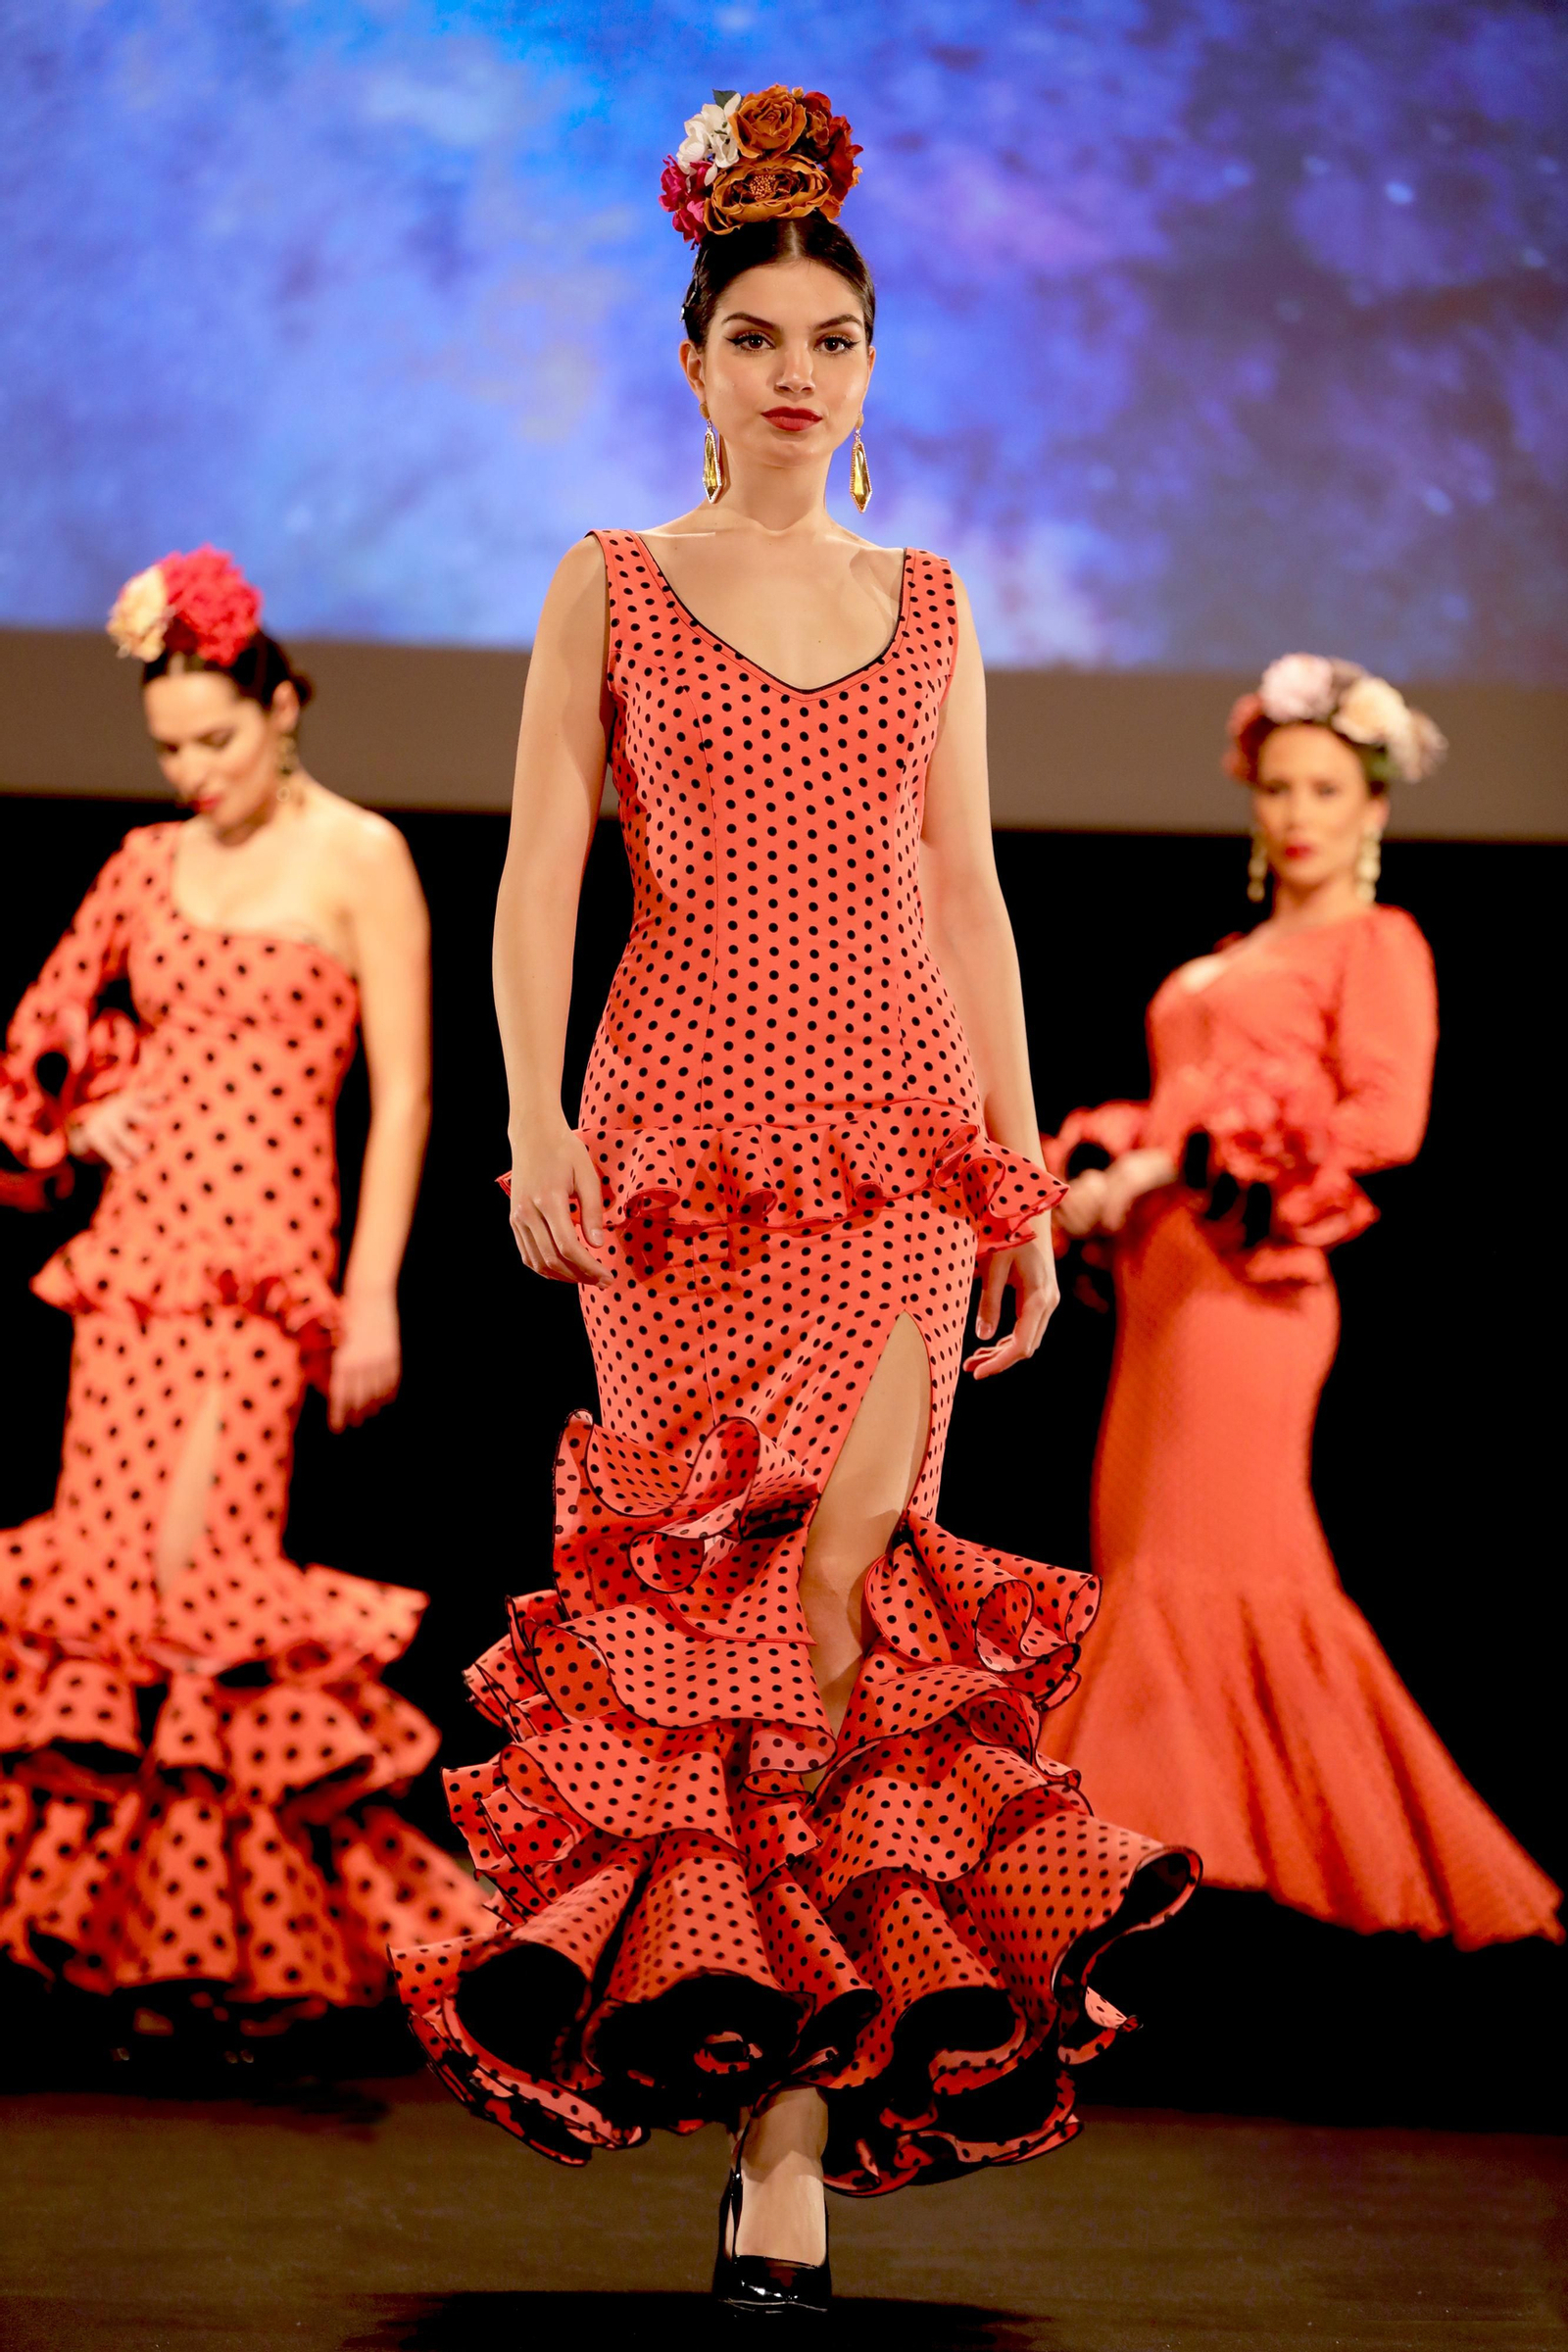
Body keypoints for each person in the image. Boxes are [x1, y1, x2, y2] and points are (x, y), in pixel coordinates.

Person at [395, 86, 1196, 2316]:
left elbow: (968, 895)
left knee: (851, 1592)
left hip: (896, 1157)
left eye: (826, 335)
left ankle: (790, 2127)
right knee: (706, 1603)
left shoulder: (926, 602)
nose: (790, 369)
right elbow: (538, 862)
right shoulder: (610, 581)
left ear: (865, 363)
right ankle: (737, 2032)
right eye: (753, 331)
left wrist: (1017, 1170)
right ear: (693, 357)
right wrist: (533, 1121)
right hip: (668, 1161)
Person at [0, 546, 488, 2064]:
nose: (195, 770)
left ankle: (222, 1958)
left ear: (281, 709)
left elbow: (404, 1095)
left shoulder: (361, 857)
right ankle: (118, 1959)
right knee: (110, 1589)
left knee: (205, 1578)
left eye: (217, 738)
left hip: (270, 1270)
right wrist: (69, 1130)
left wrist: (374, 1295)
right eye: (170, 749)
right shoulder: (146, 866)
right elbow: (39, 1029)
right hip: (136, 1263)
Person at [1043, 654, 1562, 1949]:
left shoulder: (1377, 943)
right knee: (1157, 1563)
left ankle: (1169, 1870)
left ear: (1374, 806)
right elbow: (1174, 1111)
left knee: (1209, 1565)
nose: (1298, 812)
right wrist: (1107, 1168)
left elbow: (1387, 1121)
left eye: (1326, 787)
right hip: (1169, 1285)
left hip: (1253, 1288)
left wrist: (1180, 1162)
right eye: (1279, 787)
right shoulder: (1232, 957)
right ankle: (1188, 1868)